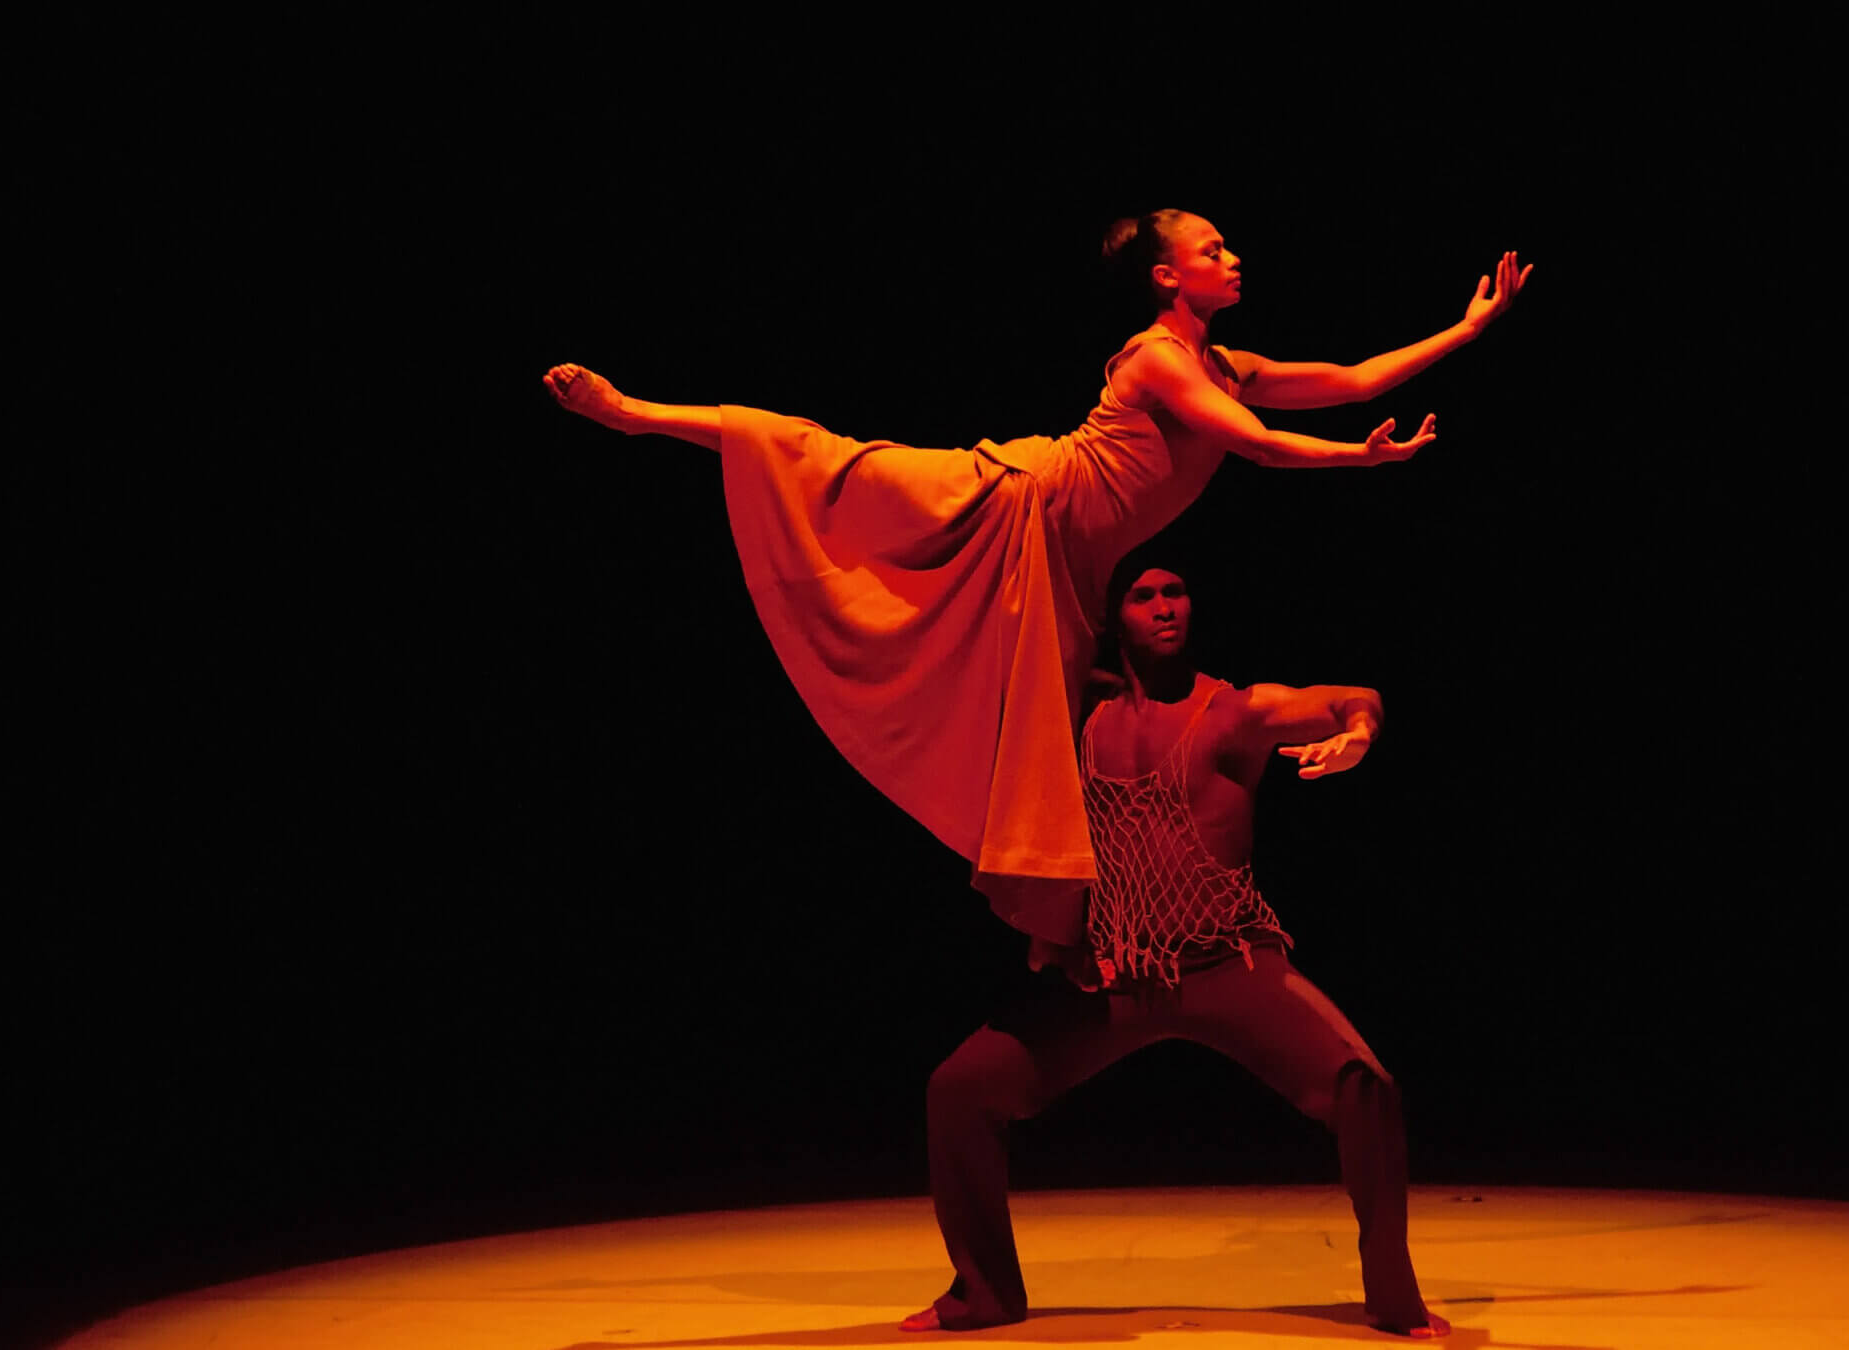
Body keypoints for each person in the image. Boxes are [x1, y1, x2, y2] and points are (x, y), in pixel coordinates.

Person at [543, 212, 1527, 951]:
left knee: (1044, 753)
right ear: (1165, 275)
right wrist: (1362, 463)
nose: (1233, 259)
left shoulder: (1224, 361)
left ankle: (1067, 944)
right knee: (821, 456)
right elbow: (1262, 449)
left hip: (1066, 567)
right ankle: (635, 412)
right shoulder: (1155, 360)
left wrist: (1465, 331)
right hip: (1016, 500)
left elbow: (1352, 377)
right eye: (1212, 248)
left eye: (1230, 248)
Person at [905, 559, 1448, 1339]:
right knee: (959, 1090)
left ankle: (1393, 1300)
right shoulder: (1074, 711)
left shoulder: (1234, 712)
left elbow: (1343, 698)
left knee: (1364, 1083)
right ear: (1112, 615)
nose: (1166, 609)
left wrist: (1359, 728)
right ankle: (983, 1292)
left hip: (1229, 961)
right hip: (1116, 974)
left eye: (1177, 592)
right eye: (1144, 596)